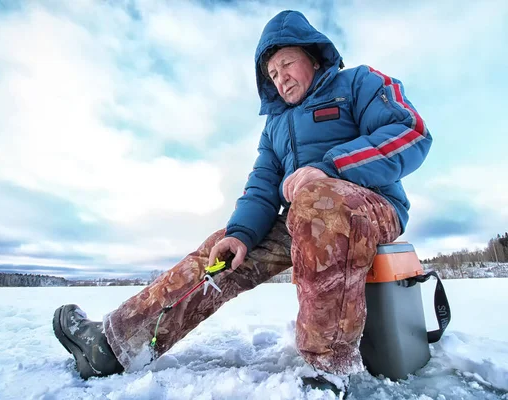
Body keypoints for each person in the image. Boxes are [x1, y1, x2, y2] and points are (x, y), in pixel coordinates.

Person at [52, 10, 432, 393]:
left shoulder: (359, 83)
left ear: (314, 57)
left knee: (319, 201)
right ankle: (115, 344)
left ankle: (328, 369)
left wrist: (331, 168)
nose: (281, 78)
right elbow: (263, 185)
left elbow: (410, 131)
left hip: (370, 206)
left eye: (286, 65)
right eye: (272, 74)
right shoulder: (276, 126)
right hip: (303, 218)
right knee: (221, 250)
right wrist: (241, 233)